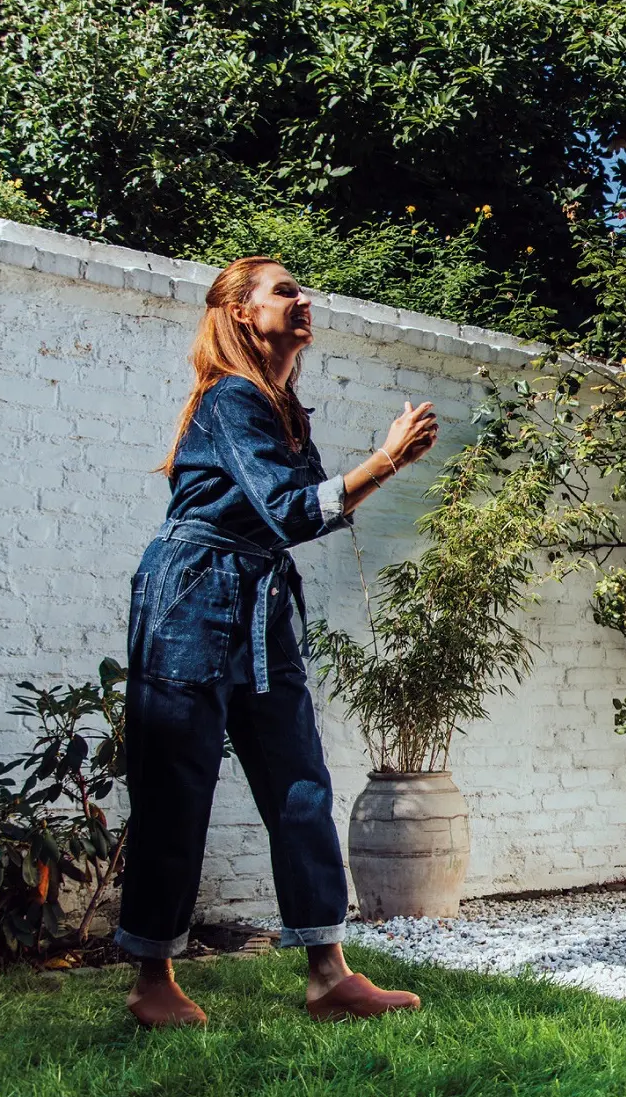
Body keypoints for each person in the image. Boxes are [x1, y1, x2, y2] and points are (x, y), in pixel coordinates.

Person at [117, 256, 440, 1028]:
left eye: (303, 288)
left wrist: (374, 468)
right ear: (239, 314)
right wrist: (387, 458)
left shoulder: (286, 408)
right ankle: (152, 980)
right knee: (176, 789)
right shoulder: (229, 397)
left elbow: (307, 512)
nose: (305, 299)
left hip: (261, 603)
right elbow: (296, 512)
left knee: (300, 785)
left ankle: (328, 973)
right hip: (191, 598)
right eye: (285, 291)